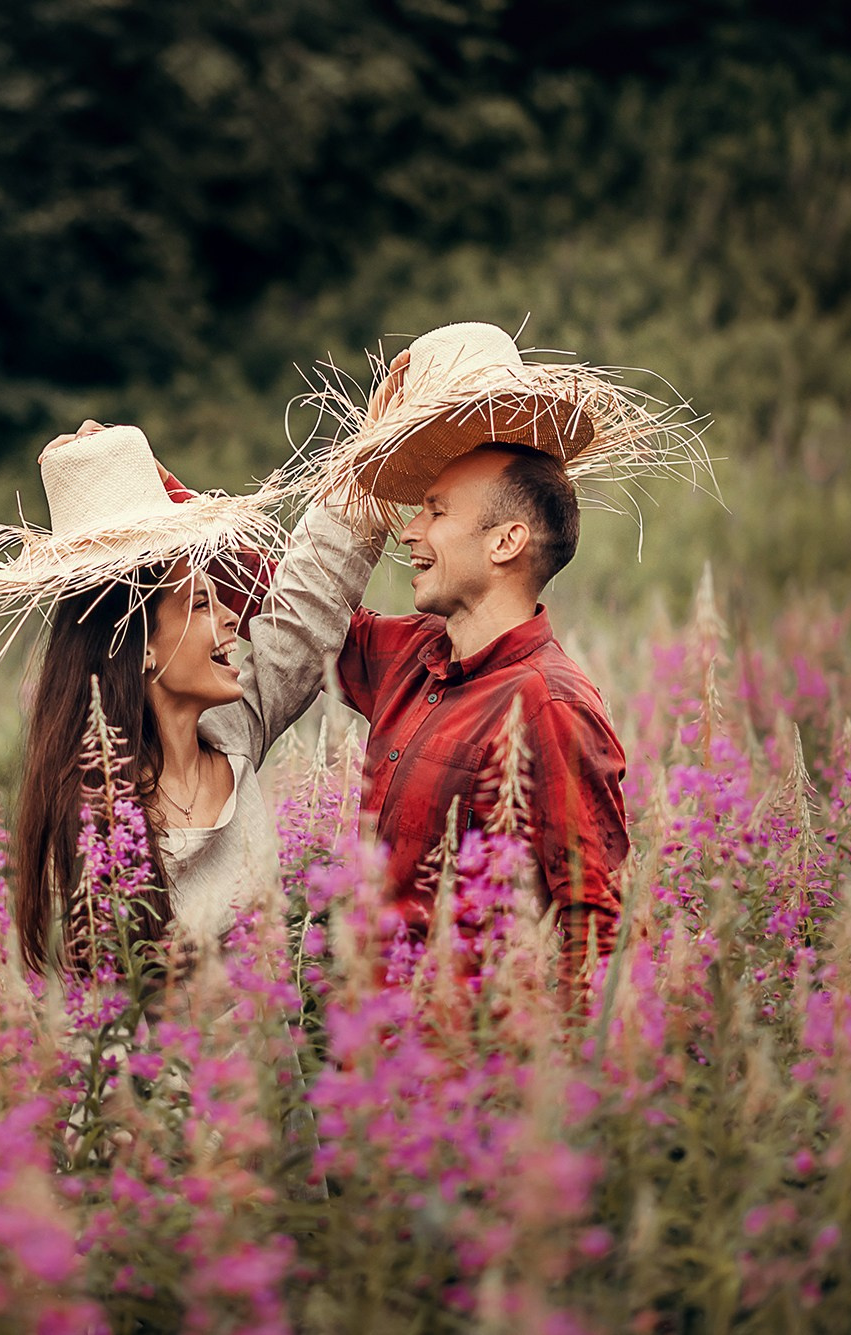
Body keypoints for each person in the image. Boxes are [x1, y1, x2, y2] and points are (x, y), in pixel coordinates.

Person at [297, 321, 708, 984]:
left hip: (464, 1072)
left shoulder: (549, 706)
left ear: (504, 541)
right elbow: (296, 611)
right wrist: (164, 510)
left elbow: (598, 929)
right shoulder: (411, 653)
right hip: (367, 1066)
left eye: (434, 509)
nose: (409, 529)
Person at [0, 422, 382, 973]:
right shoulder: (92, 819)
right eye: (202, 604)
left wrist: (373, 467)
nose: (235, 617)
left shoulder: (232, 736)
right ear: (141, 649)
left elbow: (304, 614)